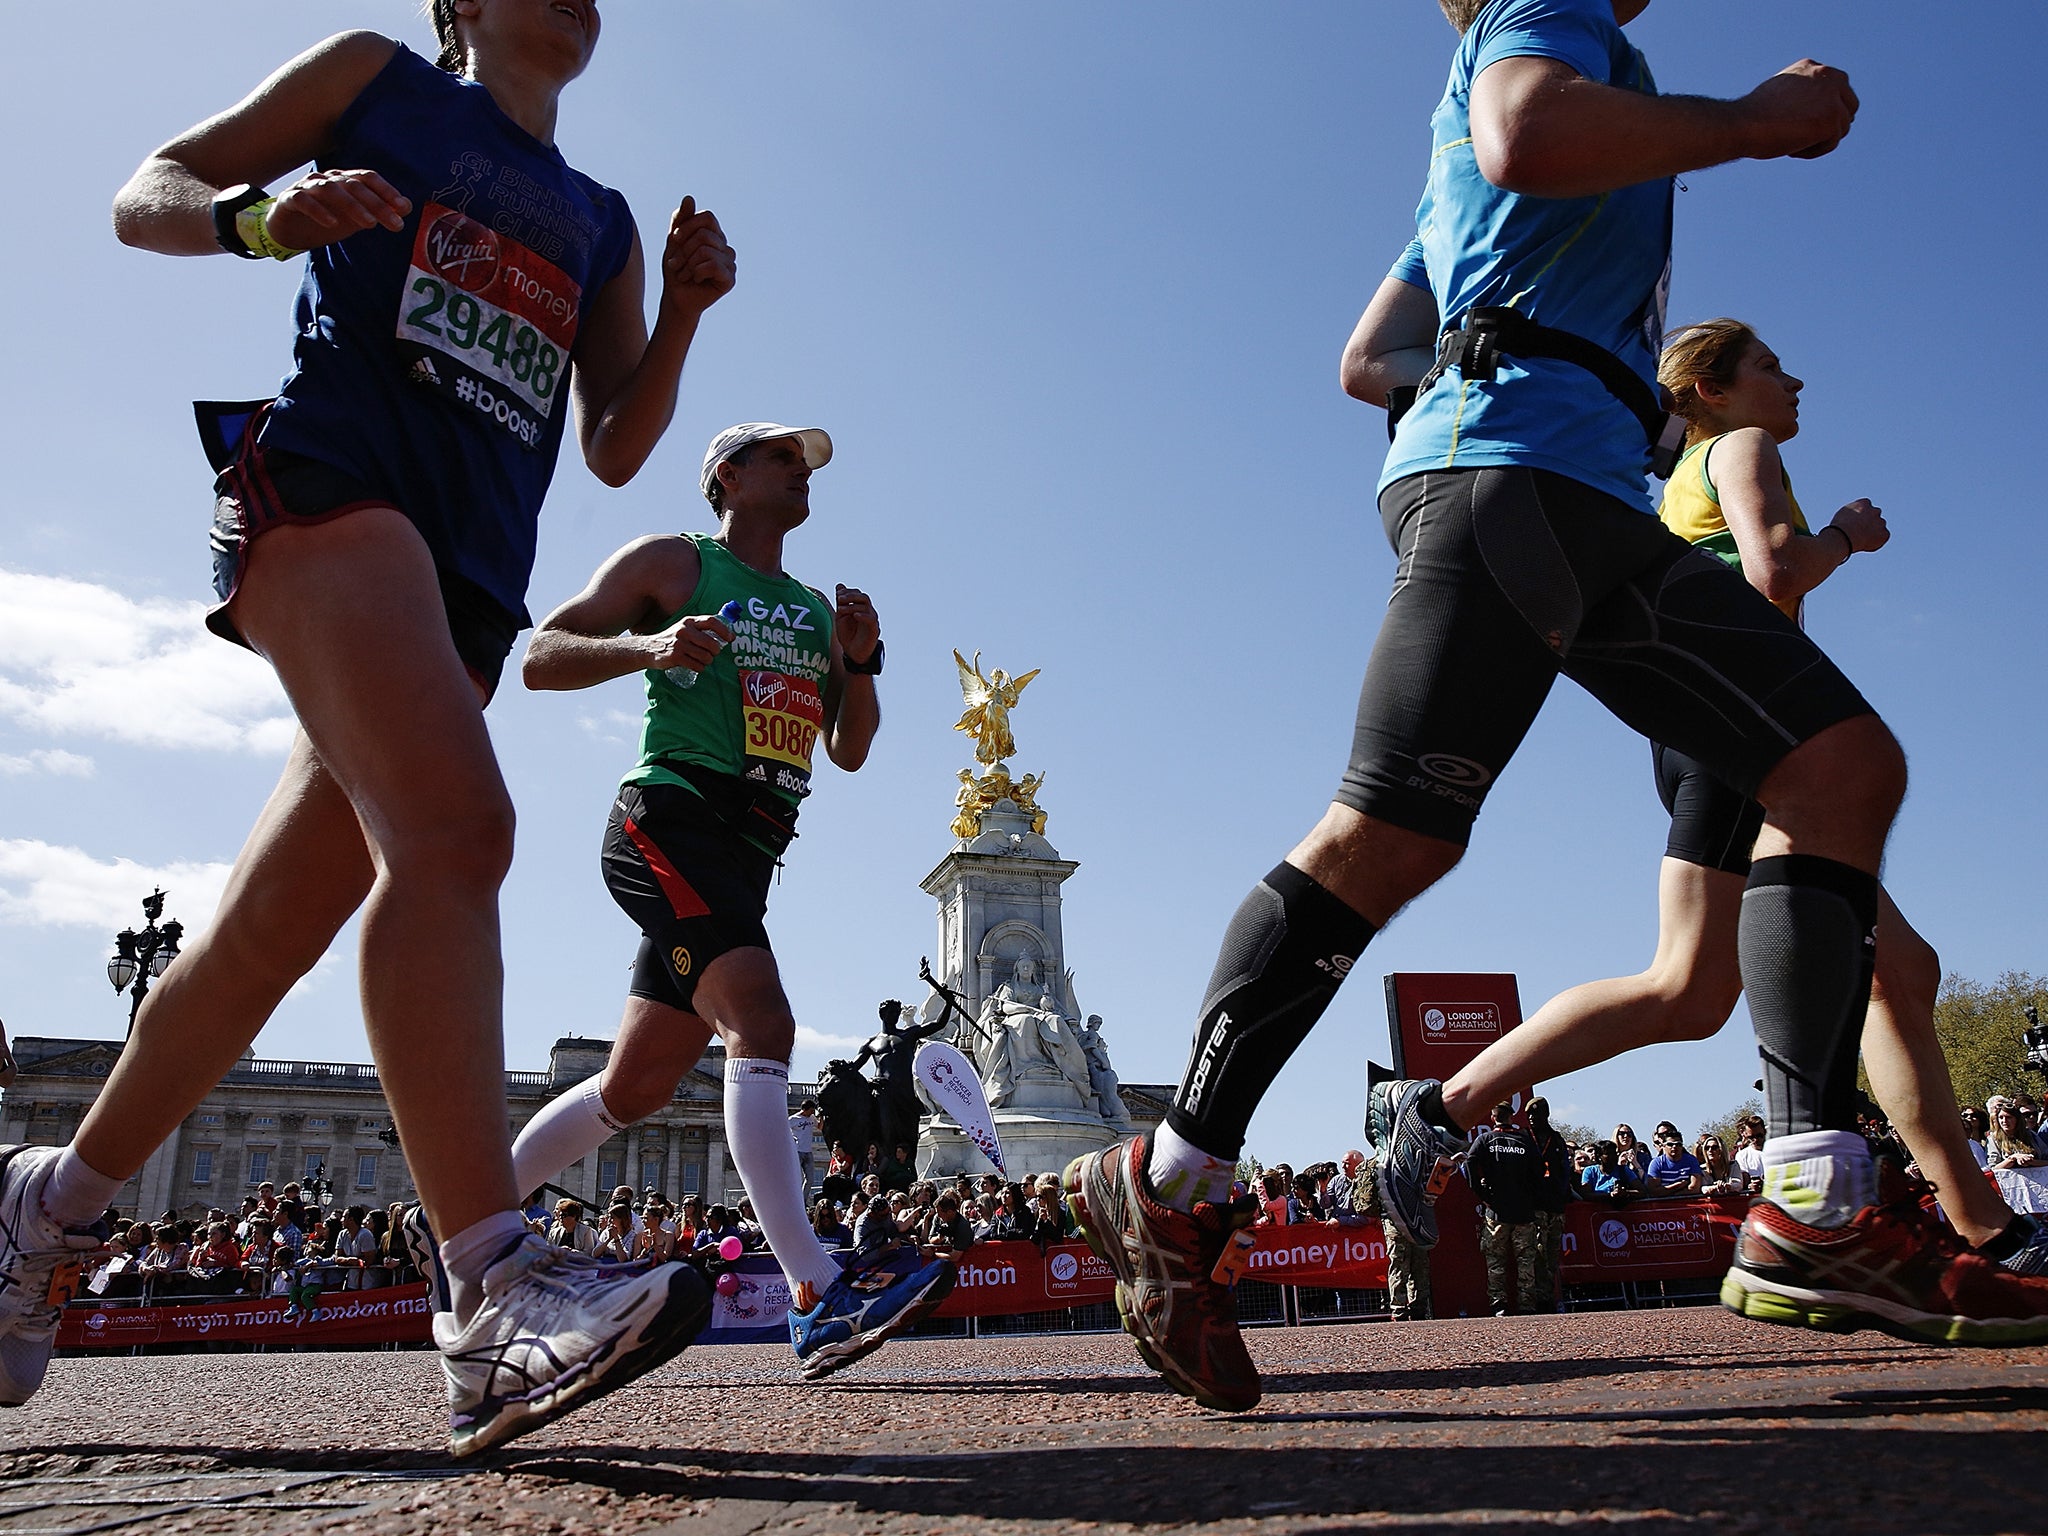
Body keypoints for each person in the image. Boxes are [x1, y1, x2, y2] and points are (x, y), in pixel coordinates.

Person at [1063, 0, 1904, 1412]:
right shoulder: (1542, 15)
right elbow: (1527, 133)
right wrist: (1757, 124)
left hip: (1549, 482)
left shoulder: (1488, 123)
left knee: (1835, 767)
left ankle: (1820, 1199)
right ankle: (1175, 1176)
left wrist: (1508, 365)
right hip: (1523, 481)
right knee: (1388, 837)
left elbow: (1363, 358)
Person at [0, 2, 731, 1446]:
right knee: (462, 833)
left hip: (466, 582)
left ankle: (47, 1210)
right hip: (330, 485)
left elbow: (613, 439)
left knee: (262, 939)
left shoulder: (602, 217)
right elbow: (148, 188)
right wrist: (263, 217)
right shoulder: (373, 80)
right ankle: (489, 1292)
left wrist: (691, 310)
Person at [1367, 318, 2048, 1302]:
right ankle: (1965, 1228)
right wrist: (1845, 540)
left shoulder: (1685, 474)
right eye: (1768, 365)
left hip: (1705, 729)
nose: (1792, 379)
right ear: (1712, 390)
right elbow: (1772, 573)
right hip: (1745, 726)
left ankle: (1970, 1221)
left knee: (1859, 974)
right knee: (1704, 983)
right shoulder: (1740, 448)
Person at [485, 419, 952, 1383]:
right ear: (728, 475)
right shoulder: (675, 560)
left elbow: (850, 748)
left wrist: (857, 660)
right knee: (762, 1021)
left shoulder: (814, 610)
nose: (802, 475)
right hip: (671, 815)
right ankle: (819, 1293)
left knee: (636, 1088)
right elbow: (542, 653)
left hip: (747, 854)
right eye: (783, 459)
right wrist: (651, 646)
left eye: (806, 465)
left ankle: (466, 1210)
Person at [1465, 1104, 1542, 1316]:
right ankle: (1527, 1305)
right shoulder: (1525, 1140)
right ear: (1512, 1116)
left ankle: (1499, 1306)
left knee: (1495, 1260)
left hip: (1496, 1212)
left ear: (1492, 1117)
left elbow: (1468, 1164)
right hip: (1523, 1212)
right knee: (1526, 1260)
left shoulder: (1485, 1140)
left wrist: (1482, 1195)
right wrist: (1529, 1195)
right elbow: (1539, 1172)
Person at [1525, 1098, 1574, 1312]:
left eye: (1536, 1115)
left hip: (1555, 1204)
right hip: (1535, 1204)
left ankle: (1548, 1296)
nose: (1532, 1119)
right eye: (1529, 1116)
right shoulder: (1526, 1138)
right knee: (1536, 1252)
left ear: (1546, 1115)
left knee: (1552, 1253)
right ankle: (1536, 1297)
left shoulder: (1556, 1139)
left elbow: (1564, 1170)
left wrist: (1563, 1194)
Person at [1643, 1130, 1703, 1197]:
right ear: (1663, 1146)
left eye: (1678, 1144)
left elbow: (1694, 1188)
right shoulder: (1656, 1163)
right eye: (1670, 1144)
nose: (1674, 1147)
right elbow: (1654, 1191)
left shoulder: (1692, 1160)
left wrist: (1672, 1193)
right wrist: (1677, 1186)